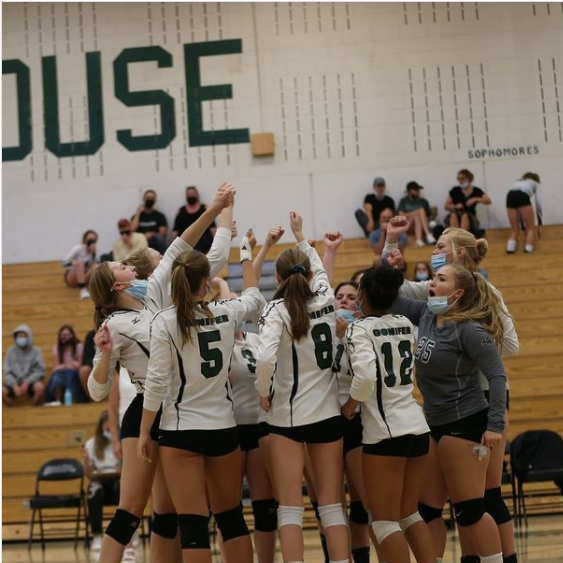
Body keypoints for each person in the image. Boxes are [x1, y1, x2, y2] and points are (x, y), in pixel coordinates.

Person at [88, 182, 235, 563]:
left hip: (178, 411)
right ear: (118, 284)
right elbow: (96, 391)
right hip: (145, 412)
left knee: (168, 512)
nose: (129, 264)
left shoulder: (153, 292)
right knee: (130, 511)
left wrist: (216, 209)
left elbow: (181, 246)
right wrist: (104, 358)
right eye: (122, 265)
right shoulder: (114, 326)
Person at [384, 218, 519, 563]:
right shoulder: (431, 309)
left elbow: (505, 359)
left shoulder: (473, 321)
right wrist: (391, 245)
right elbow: (393, 293)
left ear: (459, 254)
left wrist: (493, 420)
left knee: (477, 503)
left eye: (441, 248)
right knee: (430, 507)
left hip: (476, 407)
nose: (434, 258)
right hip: (437, 415)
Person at [137, 234, 266, 563]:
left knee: (193, 524)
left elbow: (155, 383)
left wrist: (142, 433)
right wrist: (246, 250)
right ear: (206, 281)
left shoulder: (164, 321)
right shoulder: (226, 312)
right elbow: (254, 297)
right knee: (232, 517)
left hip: (181, 432)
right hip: (224, 429)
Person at [256, 212, 350, 563]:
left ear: (277, 278)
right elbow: (319, 268)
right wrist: (300, 237)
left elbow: (264, 359)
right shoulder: (326, 297)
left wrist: (263, 391)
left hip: (288, 418)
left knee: (290, 508)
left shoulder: (274, 309)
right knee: (331, 505)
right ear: (309, 276)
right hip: (328, 415)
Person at [341, 265, 435, 563]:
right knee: (409, 514)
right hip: (417, 427)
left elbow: (366, 375)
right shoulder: (405, 323)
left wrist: (351, 404)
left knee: (384, 522)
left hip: (386, 433)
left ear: (362, 294)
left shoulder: (358, 329)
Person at [83, 410, 121, 552]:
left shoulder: (122, 442)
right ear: (101, 427)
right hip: (100, 479)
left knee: (127, 489)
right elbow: (89, 474)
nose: (109, 431)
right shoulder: (91, 444)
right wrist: (86, 461)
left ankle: (130, 533)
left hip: (118, 478)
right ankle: (97, 535)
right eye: (107, 428)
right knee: (94, 490)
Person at [2, 324, 46, 406]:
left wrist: (27, 382)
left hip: (31, 380)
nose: (21, 338)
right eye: (19, 336)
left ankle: (31, 409)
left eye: (23, 336)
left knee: (40, 389)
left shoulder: (36, 351)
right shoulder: (10, 351)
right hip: (14, 381)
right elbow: (7, 372)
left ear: (28, 337)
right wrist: (14, 385)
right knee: (2, 392)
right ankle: (14, 411)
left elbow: (40, 370)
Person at [444, 170, 491, 236]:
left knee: (465, 216)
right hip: (456, 214)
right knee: (453, 215)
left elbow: (488, 201)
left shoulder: (476, 190)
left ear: (469, 179)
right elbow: (446, 206)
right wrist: (455, 206)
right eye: (459, 179)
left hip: (470, 215)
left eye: (463, 178)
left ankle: (463, 238)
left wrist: (475, 199)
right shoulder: (455, 190)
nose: (460, 181)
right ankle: (455, 237)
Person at [170, 186, 217, 253]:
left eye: (193, 194)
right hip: (186, 240)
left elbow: (213, 229)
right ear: (186, 196)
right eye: (189, 194)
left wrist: (217, 243)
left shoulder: (205, 209)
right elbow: (175, 231)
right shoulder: (181, 211)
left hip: (203, 239)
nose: (191, 196)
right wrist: (171, 248)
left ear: (197, 195)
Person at [505, 172, 543, 254]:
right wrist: (540, 222)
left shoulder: (518, 181)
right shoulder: (535, 183)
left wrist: (522, 225)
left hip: (510, 196)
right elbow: (538, 202)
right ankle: (528, 249)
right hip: (522, 195)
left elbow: (519, 211)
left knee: (514, 229)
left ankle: (510, 249)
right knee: (531, 228)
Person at [46, 325, 84, 404]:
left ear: (72, 335)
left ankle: (73, 400)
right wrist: (68, 365)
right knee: (57, 375)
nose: (65, 337)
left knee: (70, 375)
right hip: (61, 372)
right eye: (63, 335)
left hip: (74, 372)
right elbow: (57, 367)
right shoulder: (56, 348)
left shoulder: (78, 347)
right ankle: (57, 400)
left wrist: (69, 364)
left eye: (68, 334)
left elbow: (79, 365)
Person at [63, 230, 99, 299]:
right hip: (72, 276)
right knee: (80, 263)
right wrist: (72, 263)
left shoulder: (94, 251)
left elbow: (94, 266)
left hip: (85, 275)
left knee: (96, 266)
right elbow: (64, 262)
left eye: (93, 241)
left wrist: (93, 254)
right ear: (84, 240)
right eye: (89, 240)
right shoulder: (78, 248)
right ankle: (83, 290)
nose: (91, 243)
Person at [397, 182, 436, 247]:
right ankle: (428, 235)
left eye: (418, 190)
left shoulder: (424, 201)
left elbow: (428, 217)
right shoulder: (404, 201)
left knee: (417, 217)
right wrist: (415, 212)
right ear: (410, 191)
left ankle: (419, 240)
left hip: (423, 225)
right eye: (416, 190)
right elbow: (400, 215)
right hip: (409, 225)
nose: (418, 191)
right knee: (420, 211)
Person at [130, 189, 168, 255]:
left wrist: (151, 234)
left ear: (155, 200)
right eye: (148, 198)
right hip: (140, 242)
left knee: (159, 238)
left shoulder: (159, 215)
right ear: (143, 199)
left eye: (152, 198)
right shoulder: (136, 216)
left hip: (154, 241)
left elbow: (163, 233)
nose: (150, 200)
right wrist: (138, 213)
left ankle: (165, 260)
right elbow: (132, 229)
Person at [79, 329, 96, 401]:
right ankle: (93, 399)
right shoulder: (91, 335)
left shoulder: (115, 332)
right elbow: (87, 356)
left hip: (114, 364)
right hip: (95, 365)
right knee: (84, 371)